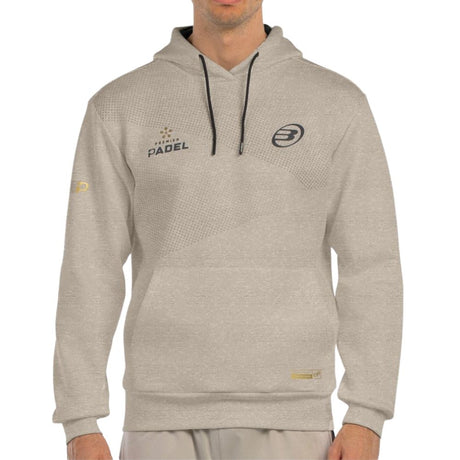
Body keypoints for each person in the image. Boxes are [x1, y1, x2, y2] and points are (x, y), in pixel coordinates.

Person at [52, 1, 403, 459]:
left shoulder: (336, 103)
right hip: (158, 416)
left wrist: (366, 413)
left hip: (293, 412)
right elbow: (89, 264)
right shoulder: (120, 105)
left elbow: (371, 263)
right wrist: (80, 419)